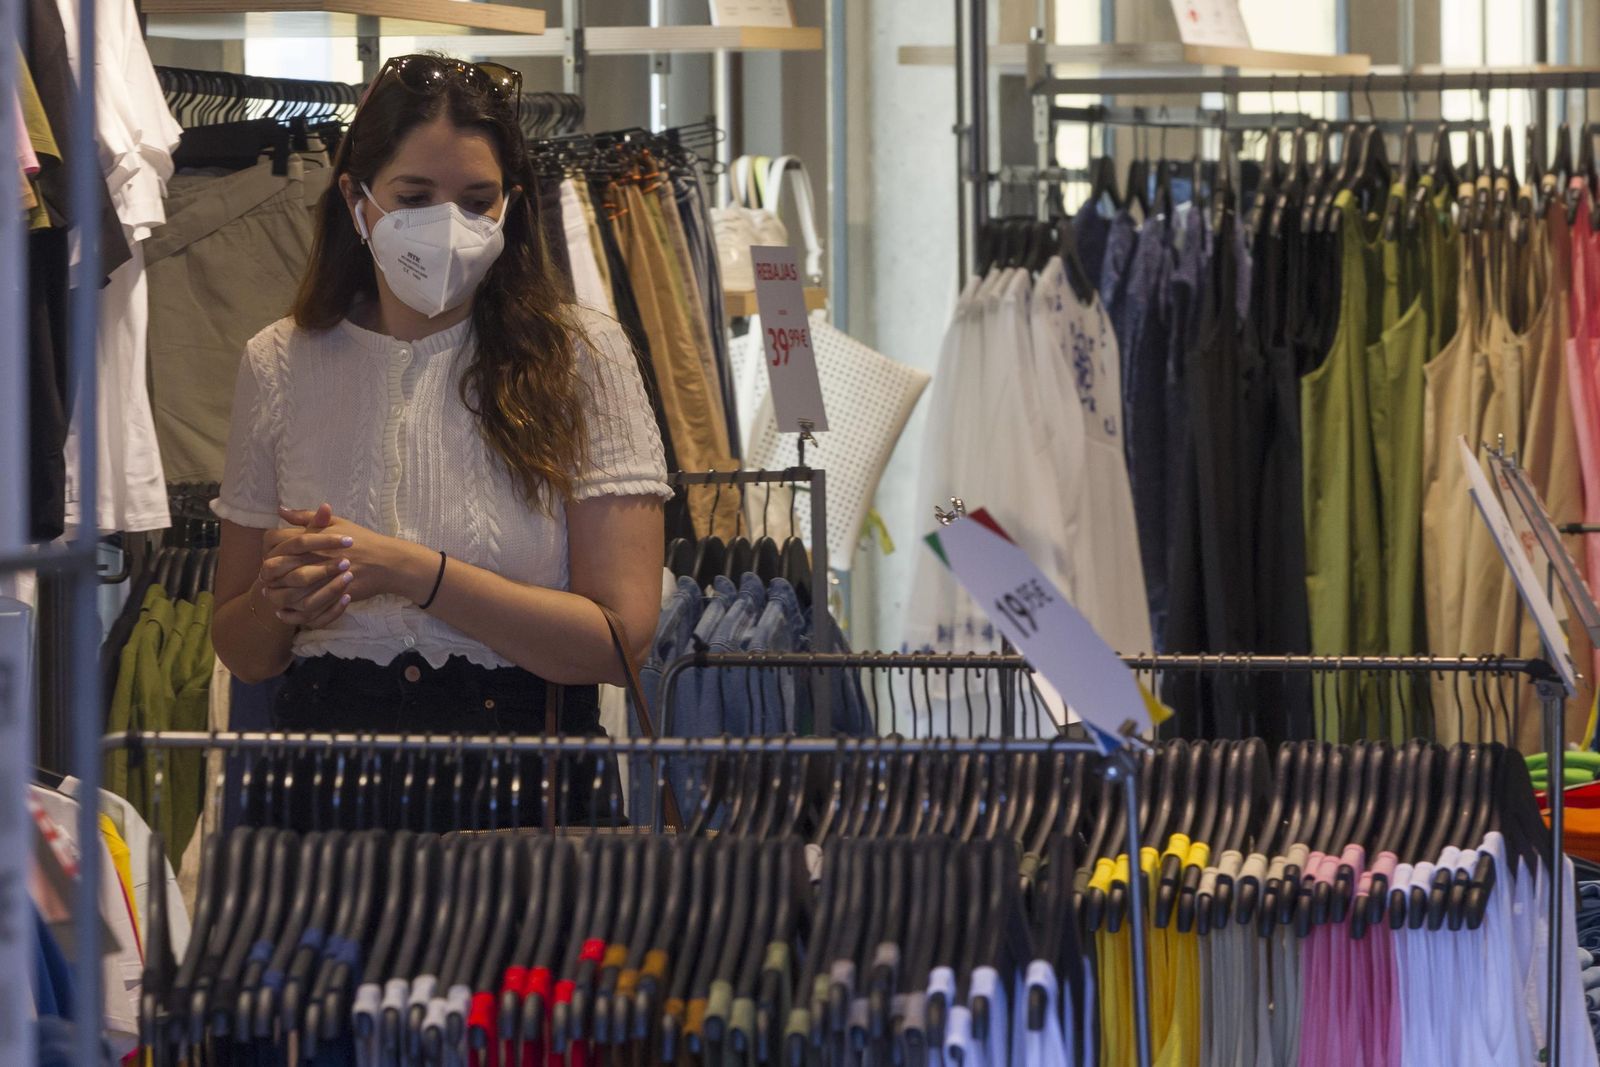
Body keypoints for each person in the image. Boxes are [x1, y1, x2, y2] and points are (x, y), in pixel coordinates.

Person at [210, 55, 671, 828]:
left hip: (524, 789)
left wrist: (412, 571)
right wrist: (280, 599)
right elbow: (244, 650)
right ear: (356, 200)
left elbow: (621, 642)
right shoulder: (280, 361)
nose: (447, 225)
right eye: (415, 197)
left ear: (511, 205)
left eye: (477, 200)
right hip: (326, 786)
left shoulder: (582, 357)